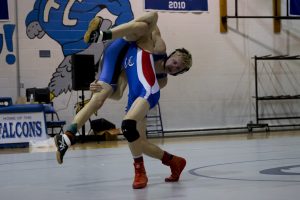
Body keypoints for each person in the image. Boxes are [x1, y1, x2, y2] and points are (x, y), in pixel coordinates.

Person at [54, 12, 192, 189]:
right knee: (138, 142)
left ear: (178, 73)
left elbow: (121, 92)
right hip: (117, 56)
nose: (174, 67)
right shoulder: (156, 45)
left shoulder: (162, 79)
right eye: (175, 62)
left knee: (130, 130)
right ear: (170, 55)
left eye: (178, 68)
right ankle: (174, 161)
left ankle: (141, 171)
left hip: (144, 94)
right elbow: (153, 15)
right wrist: (99, 87)